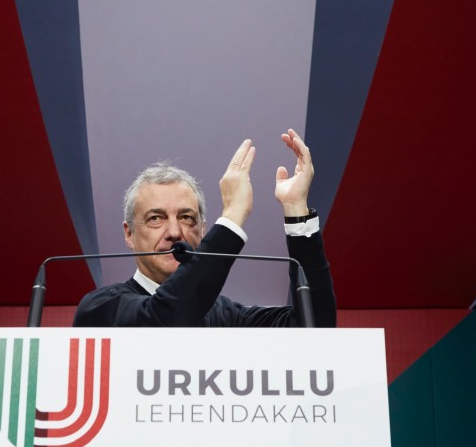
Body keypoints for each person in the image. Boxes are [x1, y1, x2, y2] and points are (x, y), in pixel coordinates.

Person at [73, 129, 335, 327]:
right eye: (156, 218)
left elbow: (314, 328)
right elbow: (168, 318)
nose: (174, 232)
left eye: (187, 217)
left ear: (203, 231)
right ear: (129, 234)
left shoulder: (226, 317)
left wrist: (296, 208)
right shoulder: (100, 308)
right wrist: (232, 216)